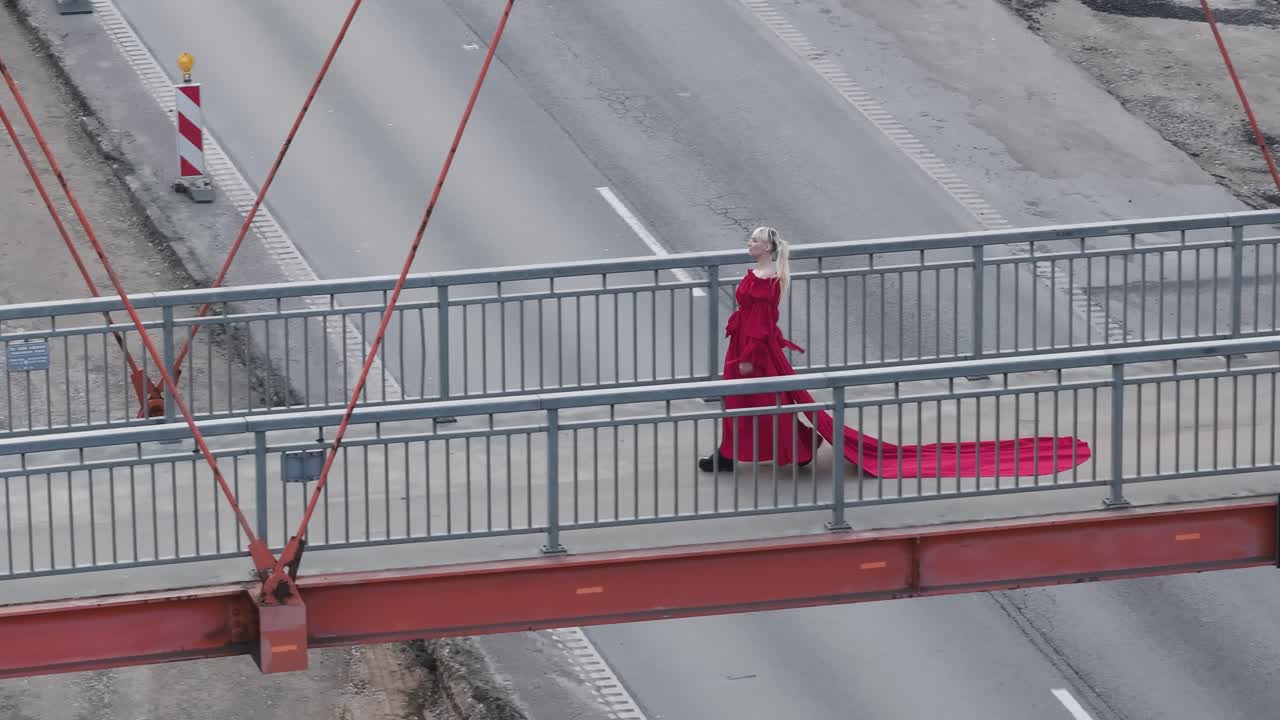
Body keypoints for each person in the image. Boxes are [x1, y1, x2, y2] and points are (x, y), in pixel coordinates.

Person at [698, 226, 1092, 478]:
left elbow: (763, 323)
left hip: (754, 350)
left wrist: (748, 354)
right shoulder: (761, 273)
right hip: (746, 346)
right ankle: (776, 449)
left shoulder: (768, 279)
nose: (748, 244)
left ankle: (772, 450)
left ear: (768, 248)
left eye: (753, 240)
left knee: (753, 400)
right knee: (755, 401)